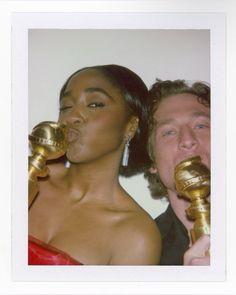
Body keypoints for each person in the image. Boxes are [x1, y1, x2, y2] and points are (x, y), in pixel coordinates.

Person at [28, 64, 161, 265]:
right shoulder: (26, 177)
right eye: (65, 107)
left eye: (94, 104)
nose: (70, 117)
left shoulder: (136, 236)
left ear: (131, 126)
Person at [145, 79, 210, 265]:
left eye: (201, 125)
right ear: (152, 162)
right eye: (168, 132)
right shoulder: (142, 254)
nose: (187, 140)